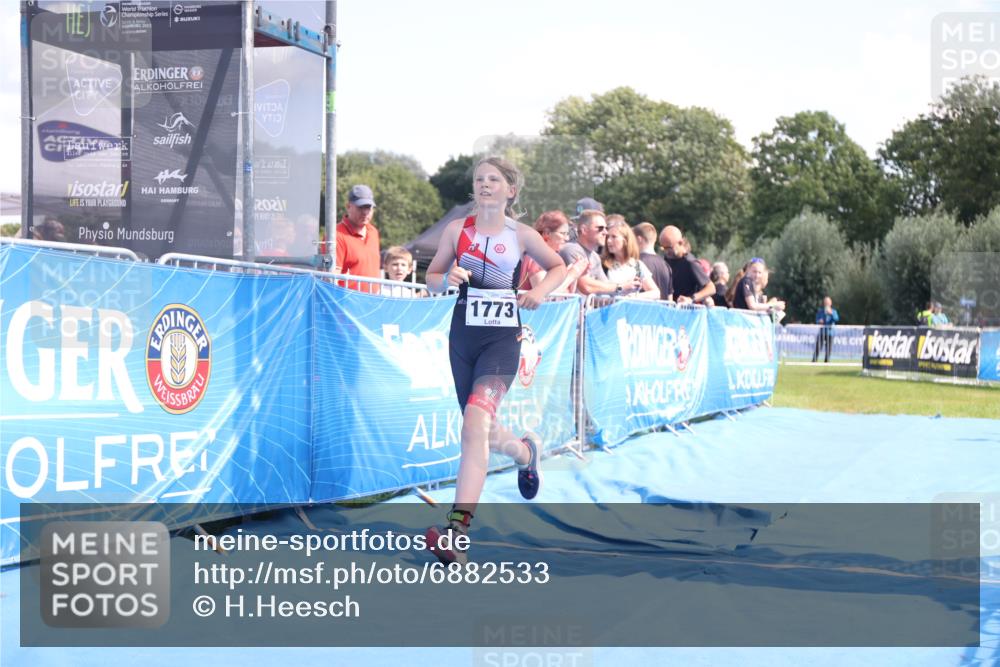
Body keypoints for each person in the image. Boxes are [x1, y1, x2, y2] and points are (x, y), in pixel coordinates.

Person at [424, 157, 567, 565]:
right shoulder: (457, 231)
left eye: (494, 180)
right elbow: (432, 277)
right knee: (481, 431)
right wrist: (444, 280)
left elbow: (558, 266)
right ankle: (525, 454)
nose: (485, 185)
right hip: (463, 337)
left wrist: (542, 292)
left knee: (474, 421)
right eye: (479, 180)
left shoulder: (521, 235)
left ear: (510, 190)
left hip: (502, 339)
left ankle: (457, 531)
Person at [559, 210, 641, 296]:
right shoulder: (571, 249)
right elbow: (586, 286)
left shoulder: (595, 257)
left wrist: (628, 289)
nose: (605, 232)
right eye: (600, 228)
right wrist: (621, 287)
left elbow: (606, 286)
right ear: (584, 230)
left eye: (606, 228)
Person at [517, 210, 588, 292]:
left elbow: (566, 294)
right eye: (562, 233)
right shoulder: (537, 258)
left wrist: (575, 274)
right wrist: (572, 274)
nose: (567, 238)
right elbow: (545, 296)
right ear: (547, 233)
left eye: (567, 234)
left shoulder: (549, 258)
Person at [335, 184, 381, 293]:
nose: (365, 212)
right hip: (346, 305)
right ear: (348, 206)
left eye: (368, 207)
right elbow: (331, 278)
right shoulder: (336, 235)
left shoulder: (373, 232)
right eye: (360, 207)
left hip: (372, 302)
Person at [659, 225, 715, 304]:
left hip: (685, 311)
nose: (666, 251)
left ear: (680, 243)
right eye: (663, 248)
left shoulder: (690, 263)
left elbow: (711, 288)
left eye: (669, 247)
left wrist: (690, 299)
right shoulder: (665, 260)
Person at [601, 224, 660, 300]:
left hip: (630, 310)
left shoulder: (637, 265)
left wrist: (633, 297)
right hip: (608, 310)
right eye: (608, 237)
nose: (608, 240)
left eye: (614, 237)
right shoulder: (602, 264)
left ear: (626, 240)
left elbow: (656, 292)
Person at [633, 222, 673, 301]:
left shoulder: (636, 263)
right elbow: (670, 299)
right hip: (663, 312)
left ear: (639, 239)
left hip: (643, 311)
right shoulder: (666, 264)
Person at [812, 296, 839, 363]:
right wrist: (819, 321)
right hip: (822, 332)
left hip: (830, 332)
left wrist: (831, 314)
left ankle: (827, 361)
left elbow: (836, 319)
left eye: (828, 302)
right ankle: (814, 360)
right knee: (818, 346)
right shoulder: (820, 311)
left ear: (830, 303)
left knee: (829, 348)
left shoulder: (834, 311)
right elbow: (817, 320)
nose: (827, 303)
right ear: (824, 303)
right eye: (825, 302)